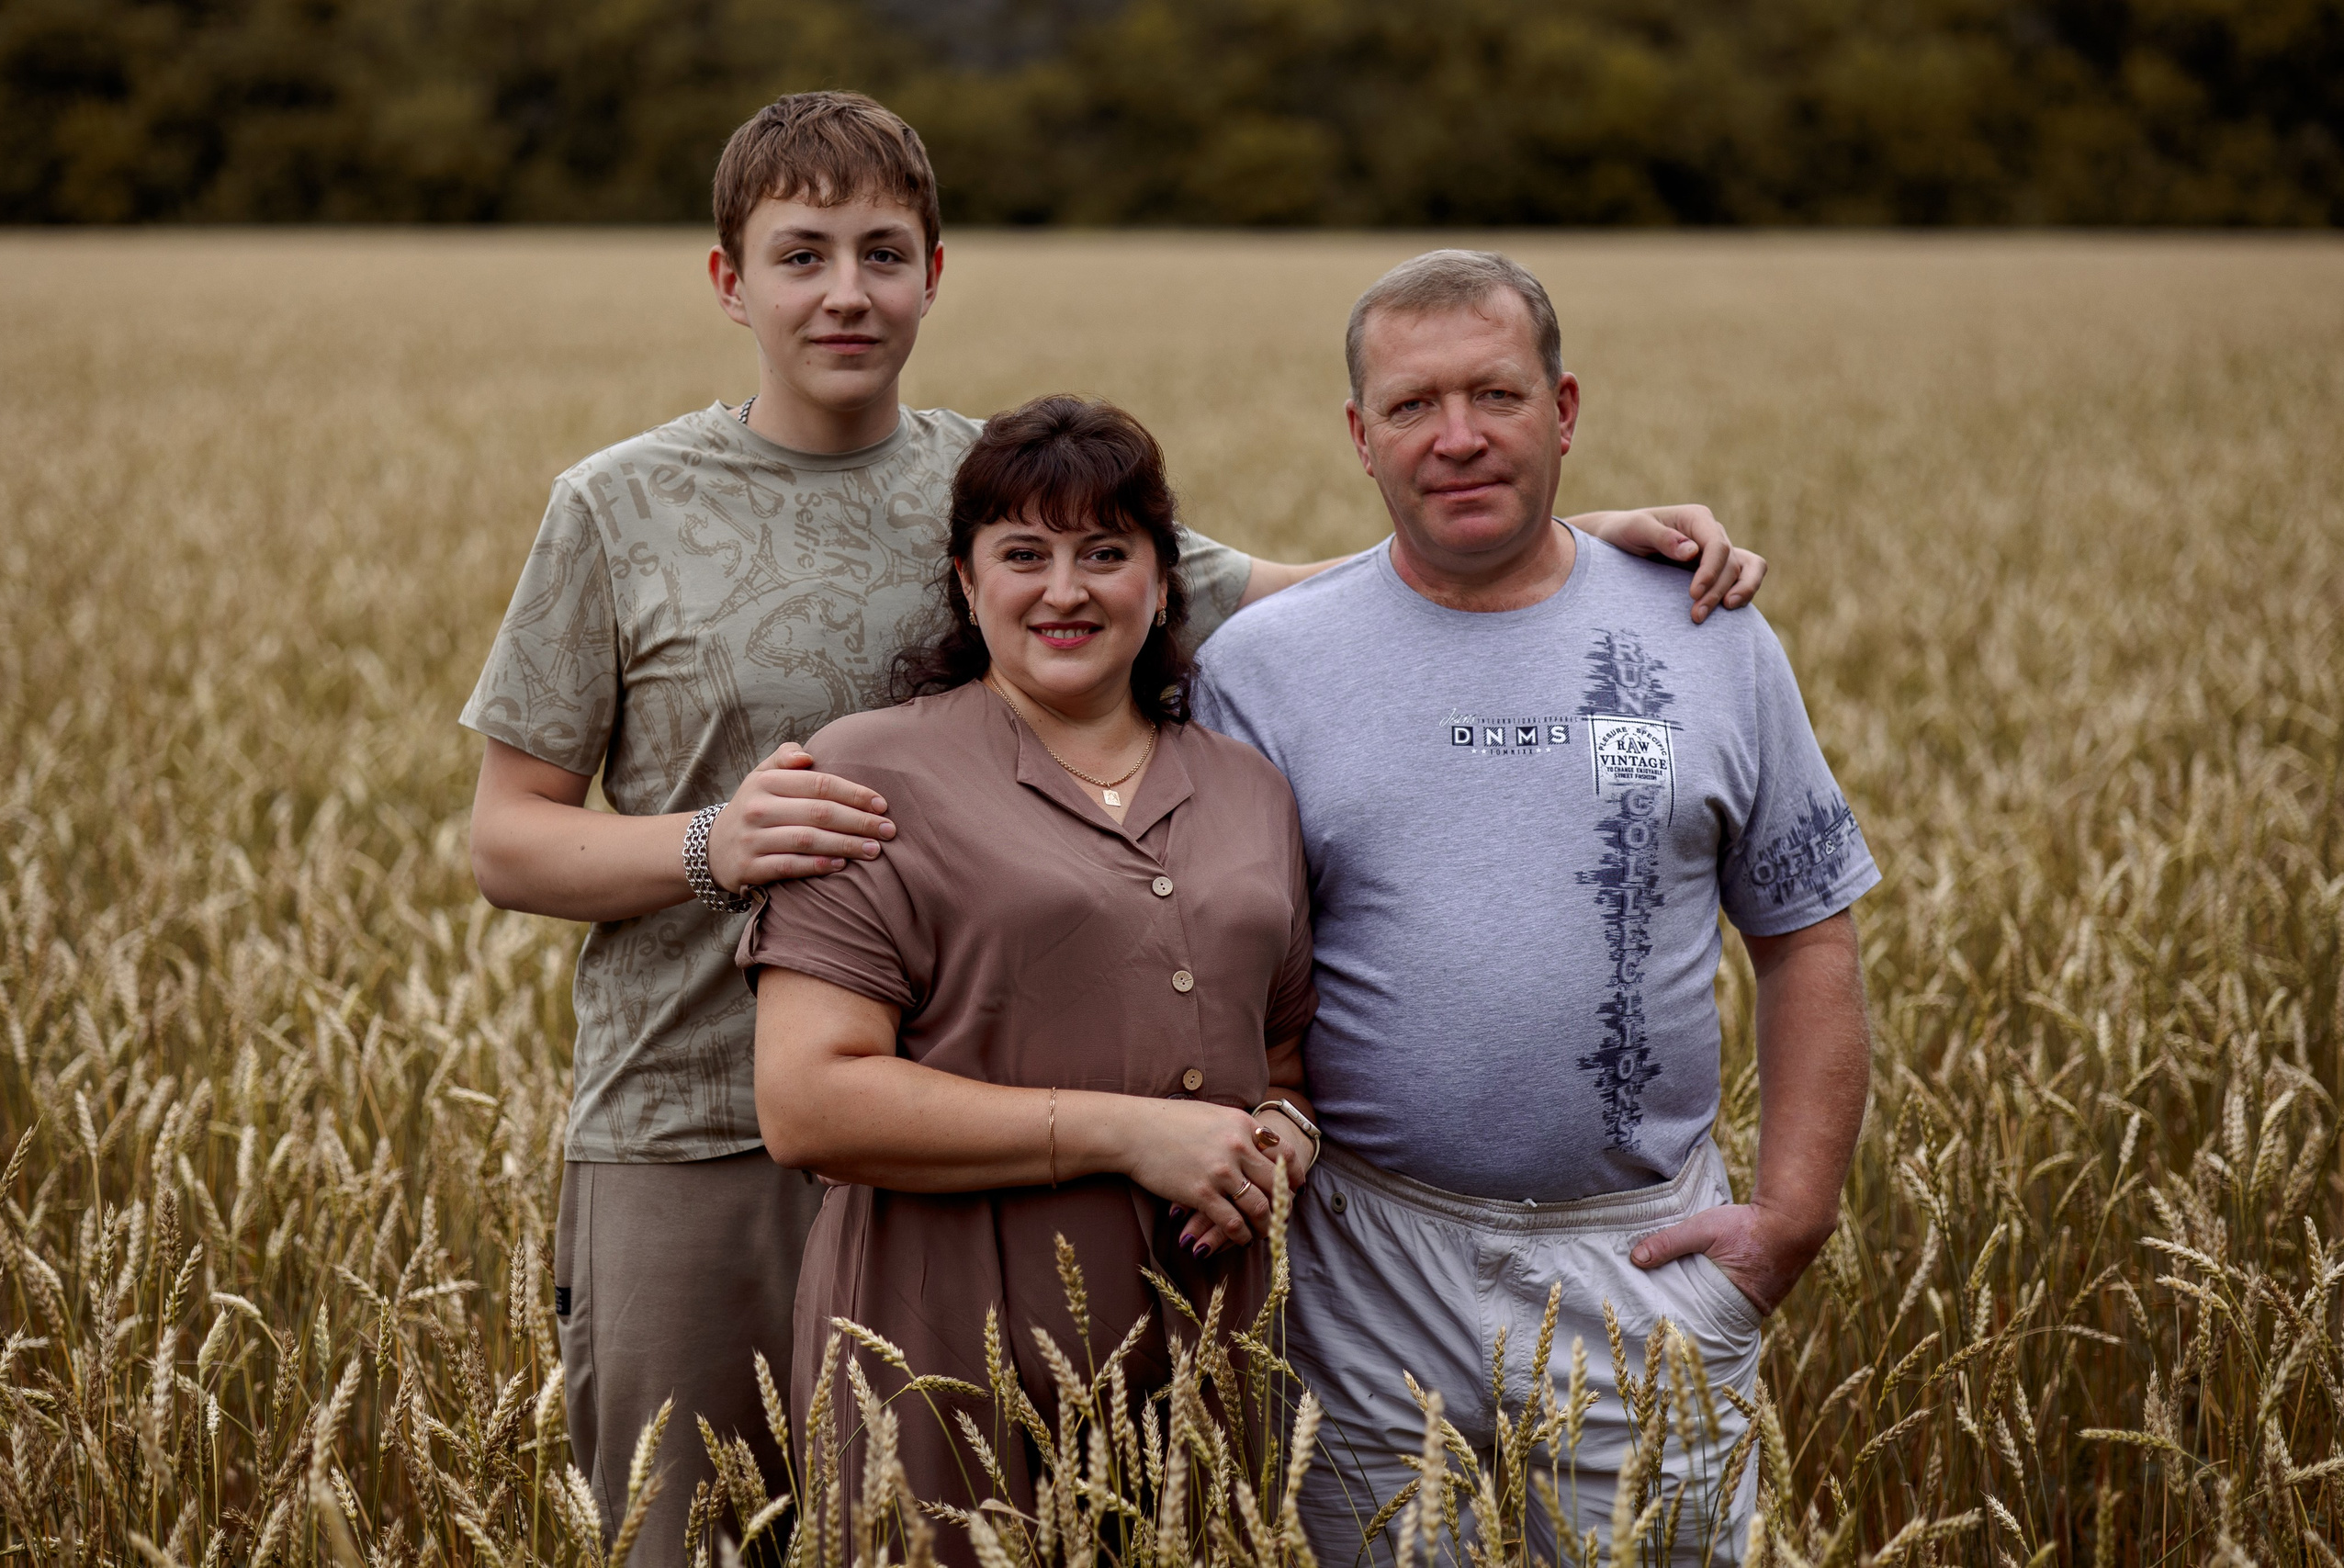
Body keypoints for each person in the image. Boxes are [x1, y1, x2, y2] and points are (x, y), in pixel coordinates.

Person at [461, 92, 1764, 1562]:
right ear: (729, 280)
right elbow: (508, 839)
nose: (846, 292)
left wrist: (1586, 552)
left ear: (935, 275)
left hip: (985, 1160)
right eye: (801, 254)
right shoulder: (616, 505)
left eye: (883, 254)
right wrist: (715, 843)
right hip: (698, 1128)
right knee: (694, 1537)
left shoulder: (1005, 488)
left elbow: (1325, 586)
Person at [1189, 251, 1878, 1566]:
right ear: (1358, 437)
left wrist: (1792, 1215)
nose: (1456, 437)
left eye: (1495, 396)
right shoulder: (1261, 668)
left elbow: (1806, 930)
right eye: (1411, 406)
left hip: (1642, 1262)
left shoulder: (1706, 631)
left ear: (1564, 412)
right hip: (1363, 1269)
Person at [737, 395, 1316, 1539]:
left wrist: (1284, 1134)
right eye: (1024, 555)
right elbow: (808, 1105)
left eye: (1106, 553)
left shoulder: (1252, 786)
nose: (1066, 590)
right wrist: (1131, 1132)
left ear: (1163, 583)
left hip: (1203, 1338)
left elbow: (1287, 1057)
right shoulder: (870, 770)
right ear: (965, 580)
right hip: (938, 1337)